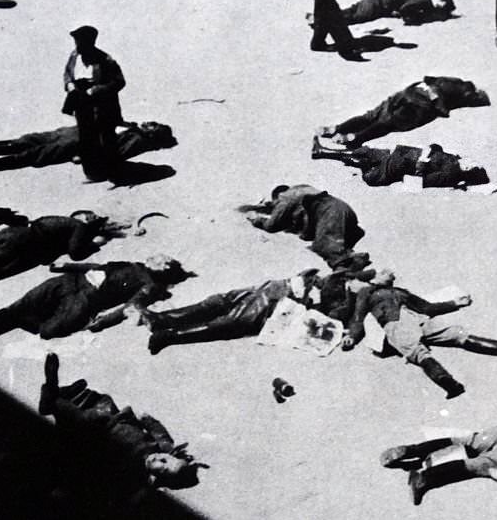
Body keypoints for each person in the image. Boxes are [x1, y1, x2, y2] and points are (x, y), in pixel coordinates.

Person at [342, 270, 497, 399]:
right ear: (374, 278)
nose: (390, 273)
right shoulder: (367, 292)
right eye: (385, 272)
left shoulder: (401, 292)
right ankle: (450, 385)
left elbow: (428, 307)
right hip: (395, 325)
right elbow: (358, 317)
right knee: (420, 354)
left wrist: (455, 303)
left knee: (457, 335)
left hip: (419, 320)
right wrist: (352, 335)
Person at [37, 353, 206, 494]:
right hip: (113, 415)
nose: (160, 458)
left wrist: (66, 487)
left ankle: (52, 394)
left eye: (162, 467)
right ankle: (60, 396)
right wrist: (147, 419)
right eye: (167, 458)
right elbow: (157, 430)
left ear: (156, 477)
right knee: (95, 398)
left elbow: (96, 475)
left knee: (73, 415)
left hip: (93, 433)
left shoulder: (134, 471)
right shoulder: (164, 447)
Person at [0, 255, 194, 352]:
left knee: (48, 331)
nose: (156, 256)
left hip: (84, 298)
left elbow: (128, 307)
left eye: (163, 260)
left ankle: (27, 321)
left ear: (163, 269)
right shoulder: (131, 264)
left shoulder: (149, 286)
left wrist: (101, 323)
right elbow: (96, 267)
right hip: (70, 280)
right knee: (19, 307)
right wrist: (67, 265)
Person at [144, 269, 321, 354]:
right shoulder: (320, 282)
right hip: (276, 294)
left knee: (223, 314)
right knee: (222, 310)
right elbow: (304, 279)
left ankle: (166, 330)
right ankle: (164, 325)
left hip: (280, 297)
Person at [317, 76, 491, 147]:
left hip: (407, 92)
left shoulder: (449, 79)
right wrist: (442, 109)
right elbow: (440, 106)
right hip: (417, 105)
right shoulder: (462, 91)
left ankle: (336, 128)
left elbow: (427, 78)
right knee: (386, 124)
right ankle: (353, 138)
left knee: (371, 115)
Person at [0, 121, 176, 180]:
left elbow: (113, 154)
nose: (149, 122)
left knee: (33, 155)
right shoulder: (134, 128)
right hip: (79, 132)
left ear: (152, 136)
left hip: (80, 144)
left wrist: (83, 157)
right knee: (31, 140)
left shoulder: (138, 141)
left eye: (153, 126)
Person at [239, 185, 366, 269]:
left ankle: (345, 276)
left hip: (330, 212)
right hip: (344, 211)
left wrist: (256, 219)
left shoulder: (286, 196)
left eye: (276, 204)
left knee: (325, 246)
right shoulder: (303, 193)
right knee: (333, 248)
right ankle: (355, 263)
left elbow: (272, 225)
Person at [62, 25, 126, 182]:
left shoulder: (105, 60)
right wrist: (69, 84)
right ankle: (92, 171)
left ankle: (114, 171)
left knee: (106, 136)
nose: (78, 46)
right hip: (81, 102)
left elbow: (119, 82)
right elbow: (67, 73)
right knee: (86, 135)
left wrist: (96, 90)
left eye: (81, 42)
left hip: (102, 105)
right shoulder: (75, 55)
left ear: (91, 42)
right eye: (77, 42)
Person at [312, 138, 490, 189]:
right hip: (401, 156)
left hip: (401, 163)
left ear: (467, 168)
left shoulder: (451, 174)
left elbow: (424, 181)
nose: (471, 160)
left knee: (367, 160)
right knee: (366, 155)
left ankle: (322, 153)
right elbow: (436, 149)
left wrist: (422, 160)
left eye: (473, 163)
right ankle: (322, 152)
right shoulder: (455, 161)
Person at [335, 0, 455, 26]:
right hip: (378, 2)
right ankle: (327, 22)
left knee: (352, 11)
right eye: (441, 4)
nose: (439, 7)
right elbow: (405, 9)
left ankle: (324, 17)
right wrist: (411, 20)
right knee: (358, 17)